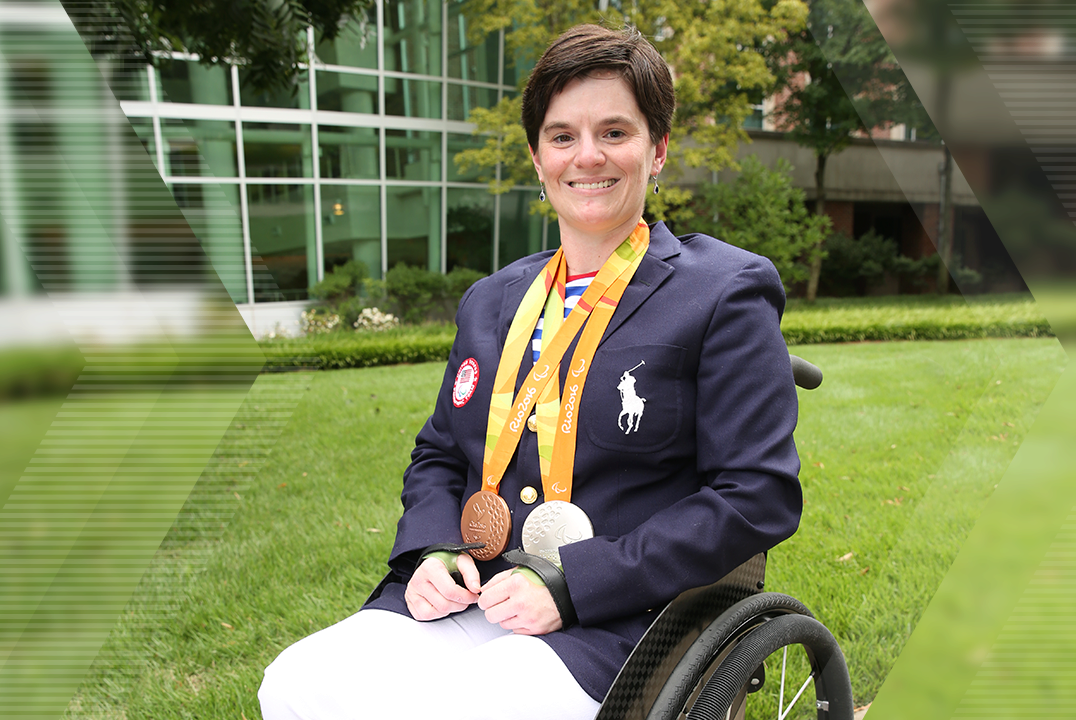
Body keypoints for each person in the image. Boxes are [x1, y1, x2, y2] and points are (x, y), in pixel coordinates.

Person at [258, 23, 802, 720]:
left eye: (615, 132)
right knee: (301, 683)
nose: (588, 157)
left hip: (623, 615)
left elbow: (755, 496)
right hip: (478, 586)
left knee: (473, 706)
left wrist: (575, 583)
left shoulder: (724, 289)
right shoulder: (492, 300)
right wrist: (432, 548)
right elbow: (438, 454)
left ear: (658, 149)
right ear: (537, 157)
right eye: (563, 135)